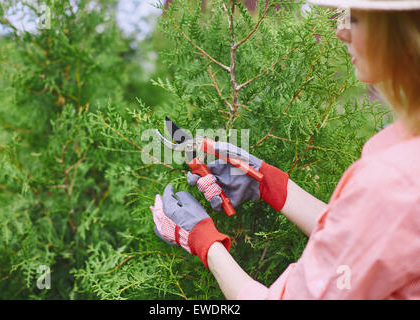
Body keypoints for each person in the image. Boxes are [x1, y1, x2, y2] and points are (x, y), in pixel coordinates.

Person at [149, 0, 420, 299]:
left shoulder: (395, 179)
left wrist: (202, 240)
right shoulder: (406, 152)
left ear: (405, 31)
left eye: (356, 18)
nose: (341, 31)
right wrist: (267, 181)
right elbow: (364, 240)